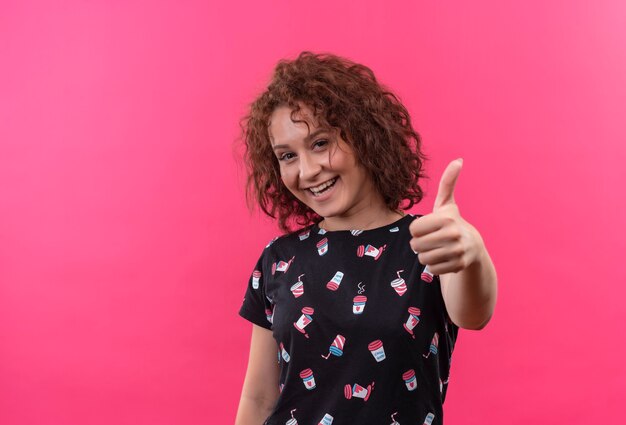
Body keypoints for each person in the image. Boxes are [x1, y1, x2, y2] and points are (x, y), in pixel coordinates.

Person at [234, 51, 497, 425]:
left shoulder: (429, 242)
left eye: (320, 143)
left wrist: (472, 253)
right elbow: (259, 397)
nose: (307, 171)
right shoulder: (278, 258)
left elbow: (474, 314)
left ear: (363, 134)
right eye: (287, 155)